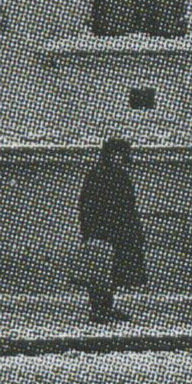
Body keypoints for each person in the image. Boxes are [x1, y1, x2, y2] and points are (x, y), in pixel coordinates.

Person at [79, 137, 148, 322]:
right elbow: (88, 207)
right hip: (105, 234)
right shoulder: (99, 175)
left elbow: (128, 208)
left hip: (118, 233)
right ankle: (99, 310)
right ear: (112, 155)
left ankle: (106, 307)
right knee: (101, 272)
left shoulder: (117, 175)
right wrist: (94, 233)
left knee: (113, 273)